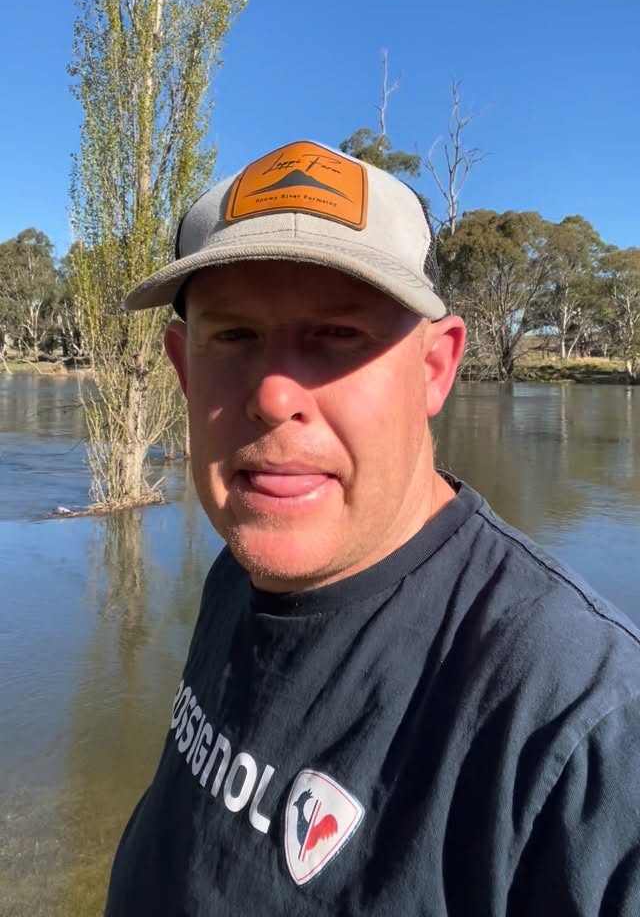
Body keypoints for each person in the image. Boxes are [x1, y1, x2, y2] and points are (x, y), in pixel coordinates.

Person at [105, 140, 640, 916]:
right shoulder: (241, 567)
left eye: (338, 335)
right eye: (234, 337)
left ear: (434, 369)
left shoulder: (579, 726)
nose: (274, 393)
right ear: (185, 368)